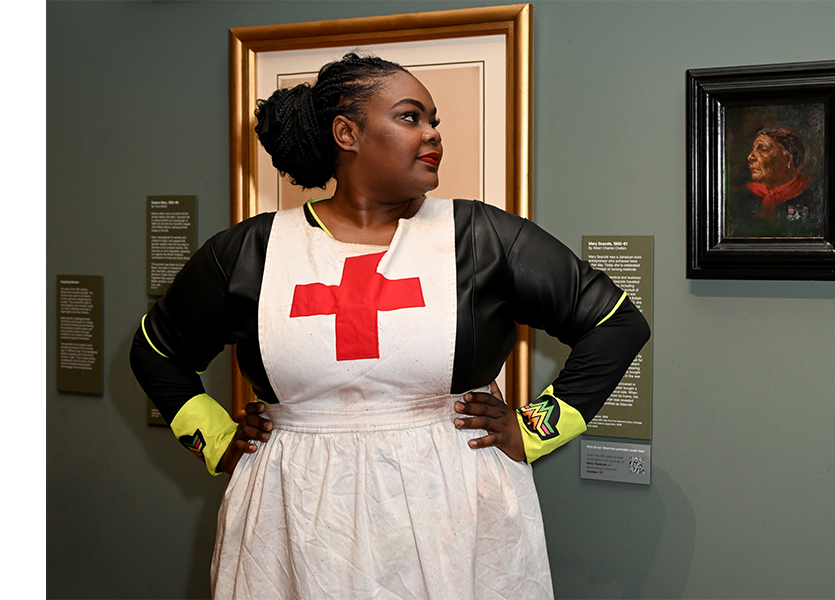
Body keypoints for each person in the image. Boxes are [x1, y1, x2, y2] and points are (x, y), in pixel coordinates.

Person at [130, 52, 649, 600]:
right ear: (347, 132)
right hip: (293, 513)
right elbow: (155, 352)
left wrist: (535, 428)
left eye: (435, 122)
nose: (432, 135)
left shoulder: (479, 236)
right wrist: (215, 440)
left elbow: (616, 323)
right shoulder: (250, 251)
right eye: (410, 117)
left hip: (452, 506)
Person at [730, 126, 824, 237]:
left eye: (763, 149)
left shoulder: (815, 195)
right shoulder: (742, 197)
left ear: (787, 159)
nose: (750, 157)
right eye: (753, 149)